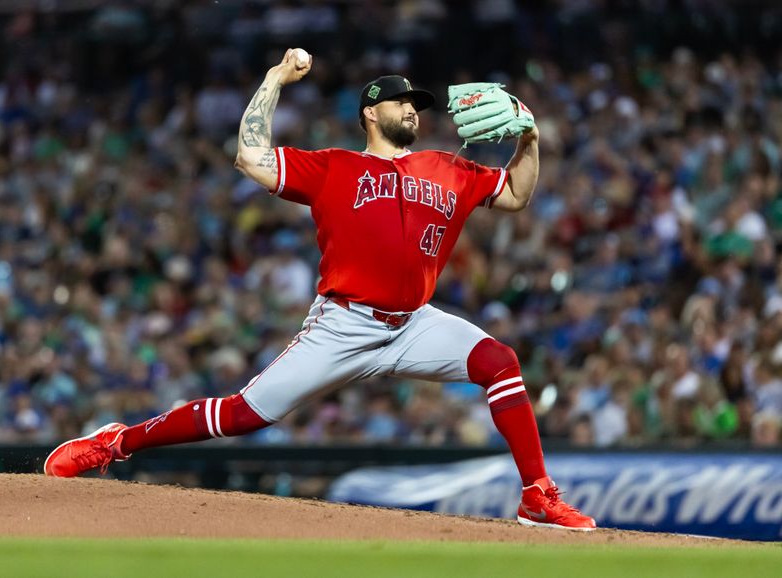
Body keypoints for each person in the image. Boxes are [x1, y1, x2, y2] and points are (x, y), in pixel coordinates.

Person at [44, 49, 596, 531]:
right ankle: (116, 442)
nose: (412, 109)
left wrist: (530, 137)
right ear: (369, 114)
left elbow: (518, 196)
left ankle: (536, 496)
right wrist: (274, 80)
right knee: (243, 415)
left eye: (417, 104)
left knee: (500, 361)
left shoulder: (450, 168)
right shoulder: (334, 168)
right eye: (401, 102)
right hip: (343, 323)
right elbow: (250, 157)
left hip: (413, 323)